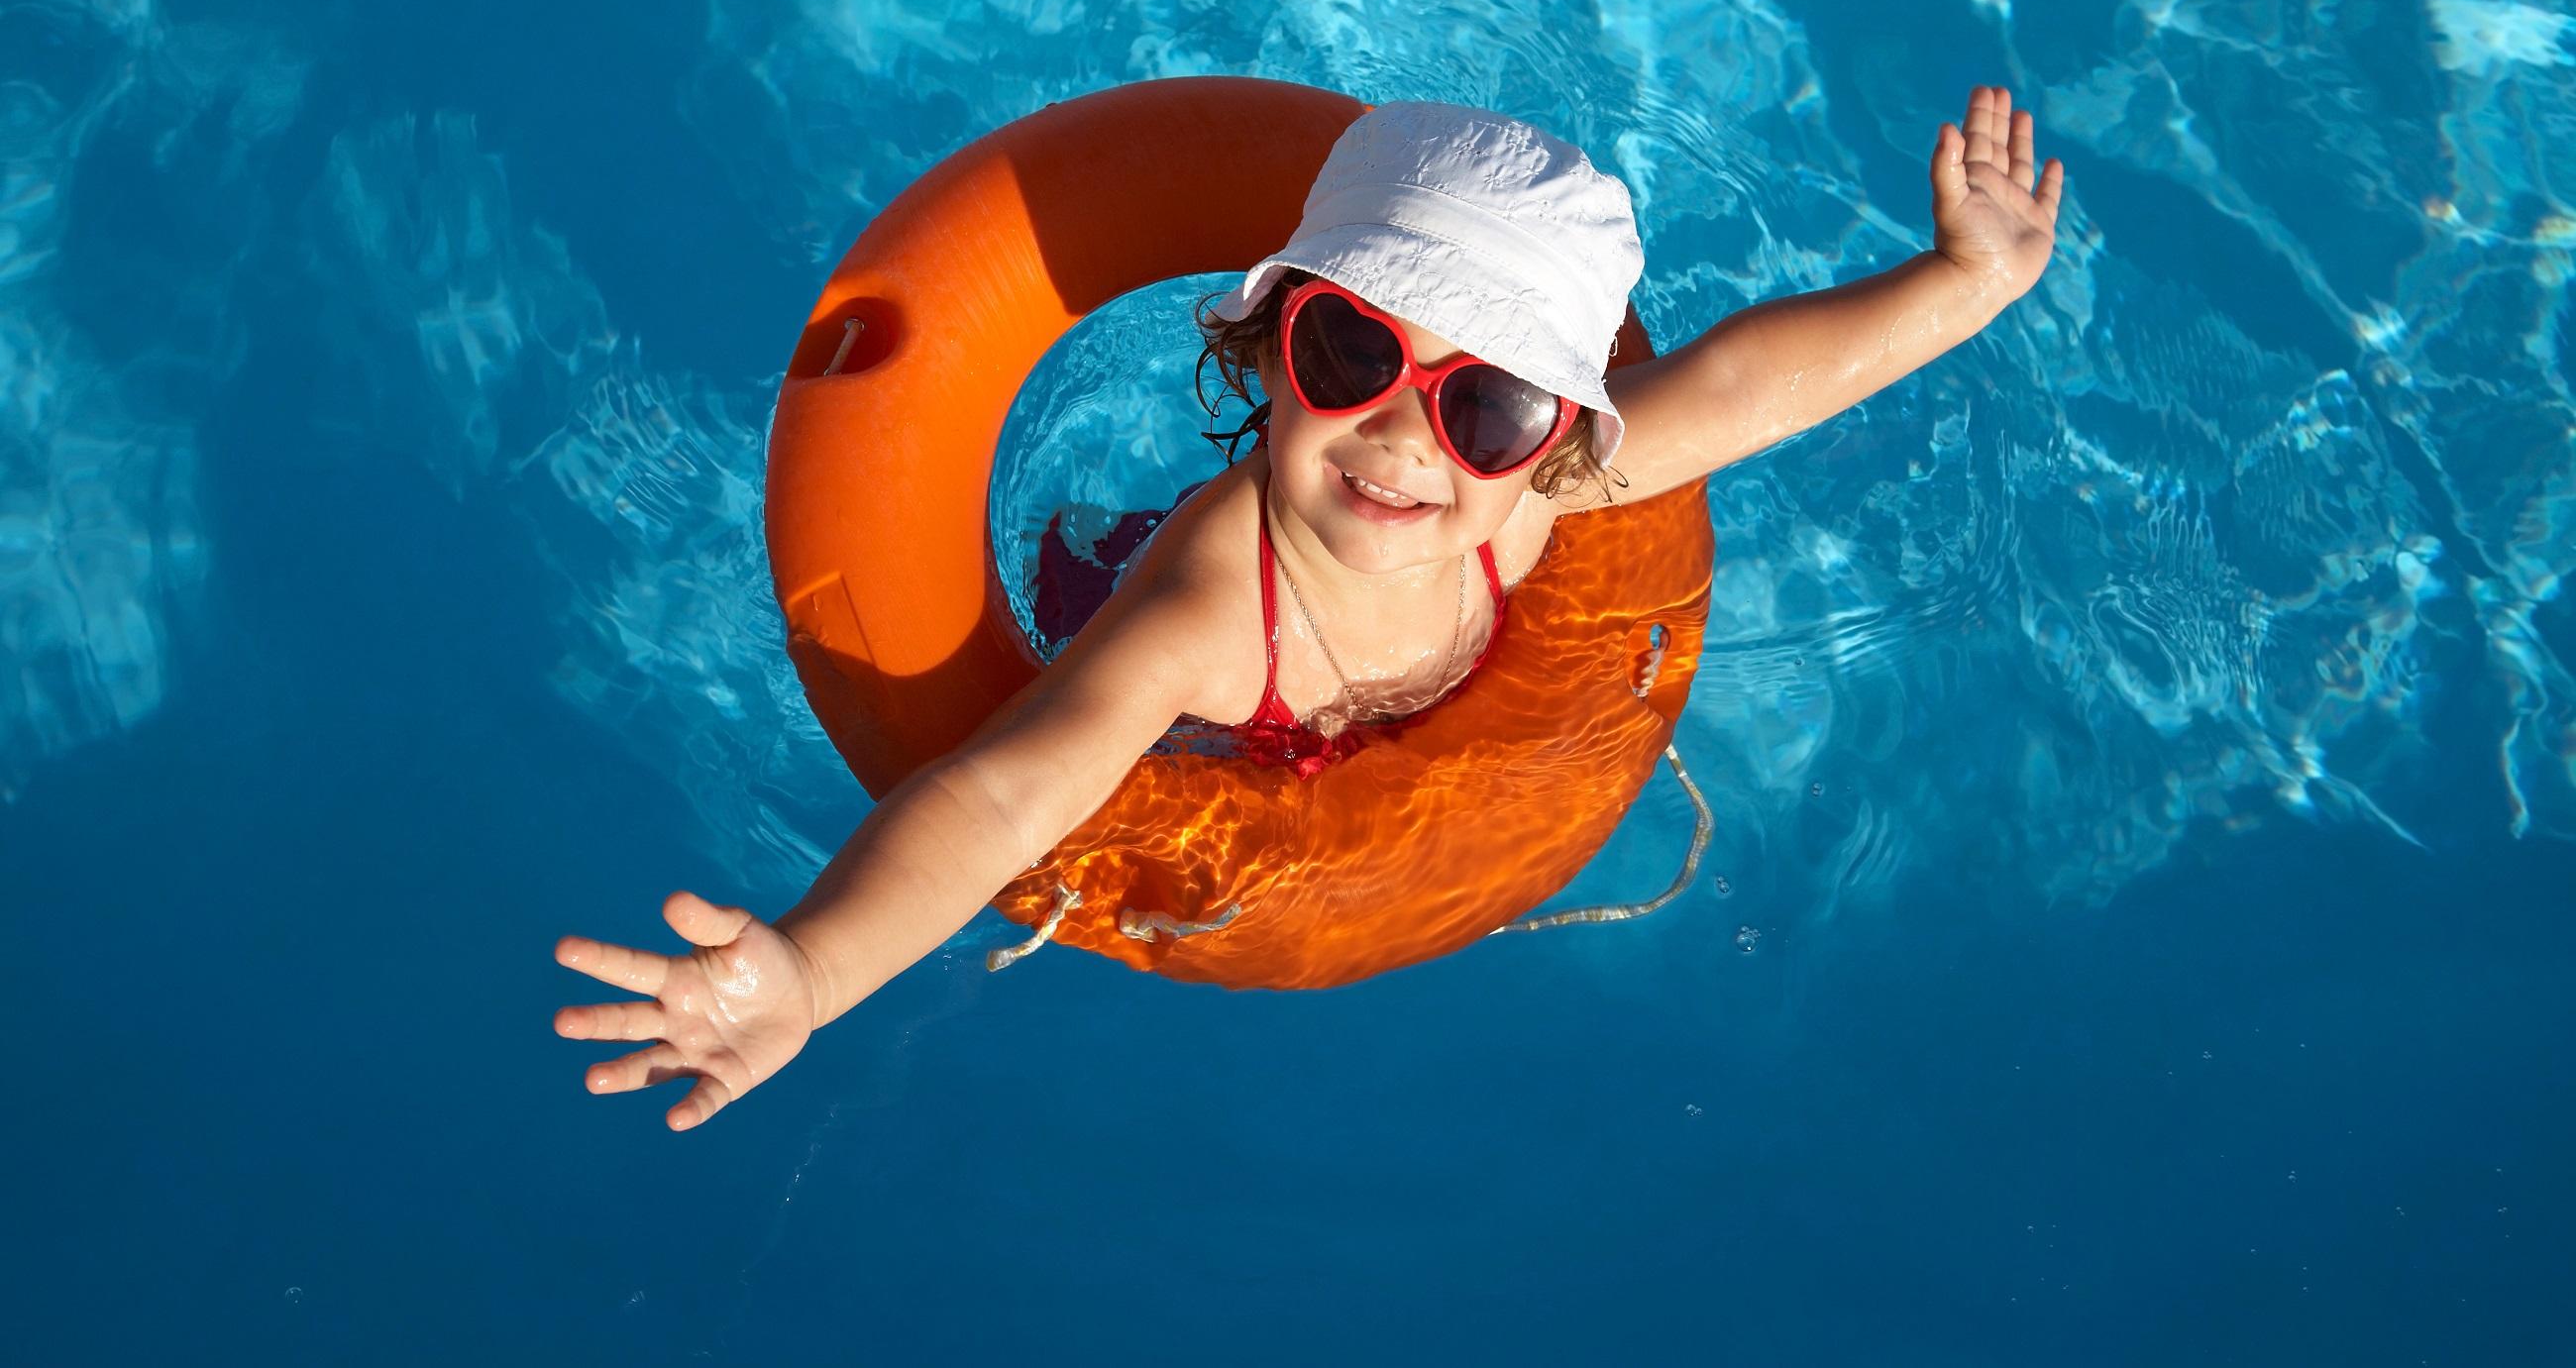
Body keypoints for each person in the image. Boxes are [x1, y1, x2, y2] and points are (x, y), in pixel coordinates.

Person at [554, 86, 2065, 1130]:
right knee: (1081, 650)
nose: (1410, 435)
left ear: (1562, 433)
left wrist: (1964, 281)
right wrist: (814, 966)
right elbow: (1008, 789)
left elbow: (1742, 387)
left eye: (1489, 400)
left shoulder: (1543, 502)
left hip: (1394, 735)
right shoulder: (1213, 601)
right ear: (1267, 345)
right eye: (1354, 353)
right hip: (1219, 712)